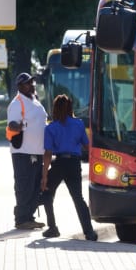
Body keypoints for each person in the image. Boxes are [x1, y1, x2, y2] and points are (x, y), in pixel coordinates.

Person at [40, 94, 97, 240]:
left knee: (47, 194)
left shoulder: (51, 128)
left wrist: (44, 176)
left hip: (59, 164)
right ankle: (89, 232)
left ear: (55, 109)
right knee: (78, 198)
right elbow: (87, 145)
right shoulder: (78, 124)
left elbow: (48, 153)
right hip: (74, 164)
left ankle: (52, 228)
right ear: (70, 108)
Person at [7, 72, 48, 230]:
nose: (31, 85)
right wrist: (23, 126)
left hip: (37, 151)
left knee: (34, 186)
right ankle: (21, 219)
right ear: (20, 86)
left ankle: (29, 217)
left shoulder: (35, 100)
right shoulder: (17, 103)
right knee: (24, 185)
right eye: (28, 83)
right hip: (23, 152)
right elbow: (11, 125)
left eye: (32, 82)